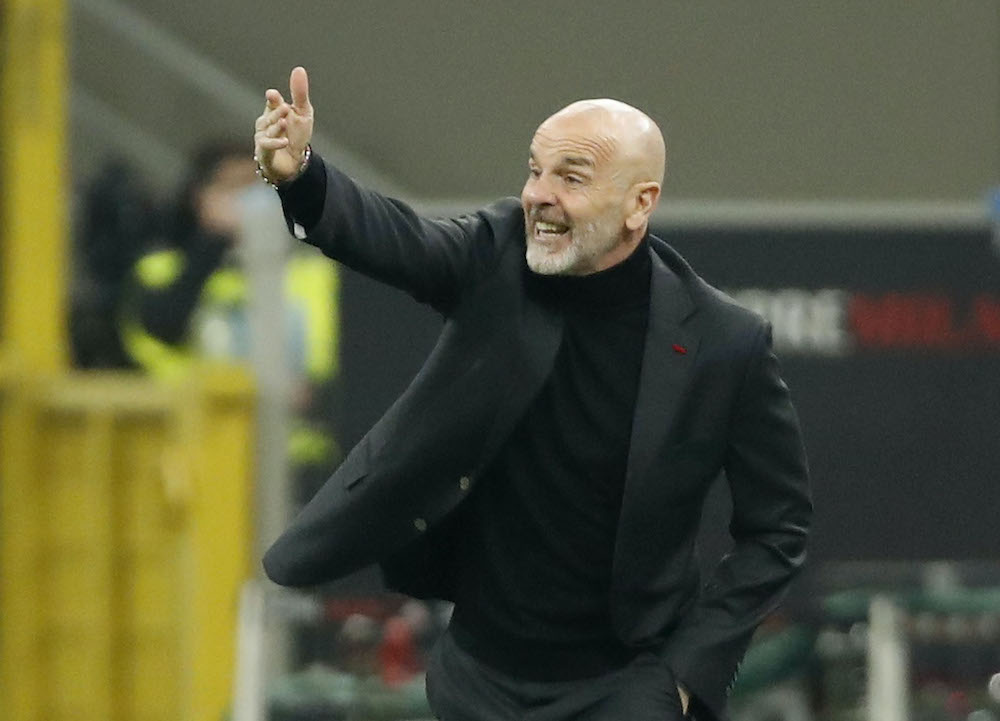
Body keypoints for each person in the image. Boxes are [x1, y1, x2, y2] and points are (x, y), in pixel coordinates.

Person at [255, 67, 812, 721]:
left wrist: (689, 673)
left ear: (640, 203)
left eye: (570, 177)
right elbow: (400, 240)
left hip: (627, 687)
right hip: (479, 678)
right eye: (534, 170)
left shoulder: (725, 341)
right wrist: (303, 178)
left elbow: (778, 527)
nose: (538, 196)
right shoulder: (496, 256)